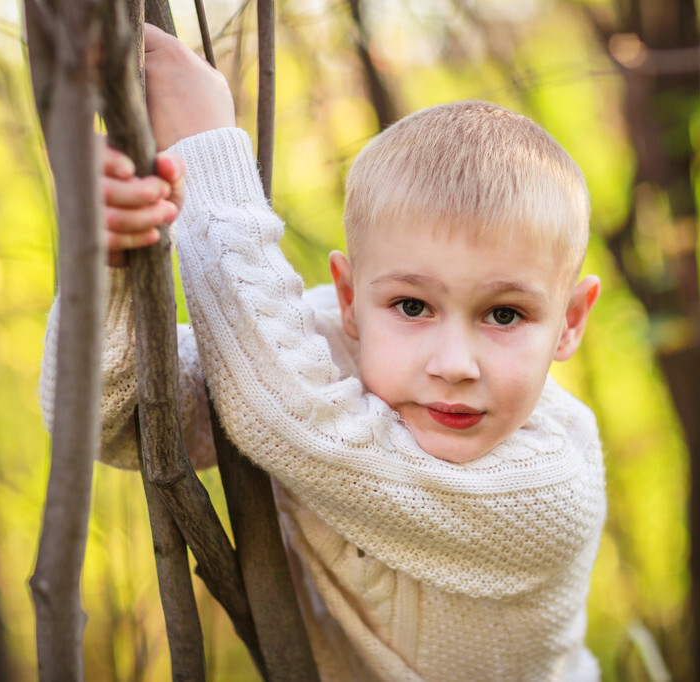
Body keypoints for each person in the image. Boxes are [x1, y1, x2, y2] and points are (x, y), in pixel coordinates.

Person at [40, 24, 606, 681]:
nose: (454, 363)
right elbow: (120, 425)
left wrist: (206, 148)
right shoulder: (311, 346)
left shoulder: (547, 493)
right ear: (347, 296)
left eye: (504, 314)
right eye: (412, 307)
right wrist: (108, 263)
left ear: (568, 321)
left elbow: (290, 420)